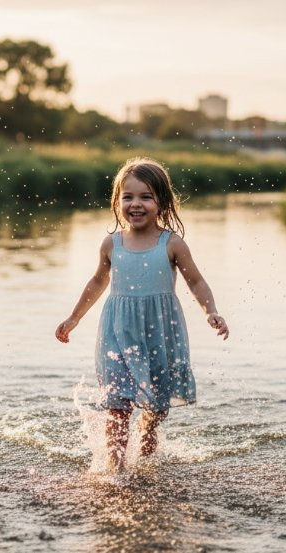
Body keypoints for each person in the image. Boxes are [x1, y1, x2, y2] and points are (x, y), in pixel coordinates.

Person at [55, 157, 229, 471]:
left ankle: (147, 452)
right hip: (118, 332)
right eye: (128, 197)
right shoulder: (112, 243)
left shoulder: (172, 244)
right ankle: (116, 468)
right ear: (117, 201)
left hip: (160, 332)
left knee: (156, 406)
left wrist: (211, 311)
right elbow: (97, 281)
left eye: (146, 197)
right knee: (119, 404)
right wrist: (74, 318)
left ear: (161, 202)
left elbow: (196, 281)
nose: (136, 204)